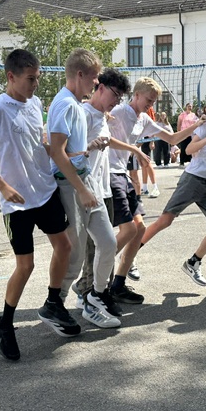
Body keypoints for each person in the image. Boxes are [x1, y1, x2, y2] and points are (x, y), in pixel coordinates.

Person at [0, 49, 79, 361]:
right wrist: (2, 185)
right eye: (30, 79)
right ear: (11, 77)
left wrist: (61, 152)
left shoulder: (35, 104)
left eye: (37, 78)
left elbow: (36, 142)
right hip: (16, 202)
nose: (35, 84)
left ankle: (53, 302)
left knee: (64, 246)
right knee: (25, 265)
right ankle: (4, 323)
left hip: (44, 190)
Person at [107, 77, 206, 304]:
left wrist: (197, 125)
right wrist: (134, 149)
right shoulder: (120, 111)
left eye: (153, 102)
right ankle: (94, 276)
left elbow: (172, 138)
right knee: (127, 230)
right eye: (148, 100)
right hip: (109, 174)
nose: (150, 104)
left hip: (122, 174)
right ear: (136, 95)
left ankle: (118, 284)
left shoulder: (143, 118)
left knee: (139, 228)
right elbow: (102, 131)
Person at [46, 48, 125, 329]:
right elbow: (57, 153)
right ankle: (55, 304)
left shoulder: (76, 105)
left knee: (108, 242)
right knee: (76, 253)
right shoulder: (65, 105)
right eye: (94, 78)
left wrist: (87, 149)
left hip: (85, 180)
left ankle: (95, 297)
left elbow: (68, 149)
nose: (96, 82)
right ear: (80, 74)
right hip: (71, 185)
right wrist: (81, 188)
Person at [140, 87, 206, 286]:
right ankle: (131, 253)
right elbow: (189, 149)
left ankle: (193, 263)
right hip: (194, 179)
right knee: (164, 221)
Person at [70, 68, 147, 321]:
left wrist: (134, 149)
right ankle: (87, 295)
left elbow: (108, 140)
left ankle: (98, 294)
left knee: (105, 246)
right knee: (95, 248)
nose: (117, 101)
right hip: (86, 189)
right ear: (100, 88)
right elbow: (61, 148)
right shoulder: (82, 113)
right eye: (115, 95)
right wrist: (88, 148)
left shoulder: (101, 114)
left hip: (102, 189)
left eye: (120, 97)